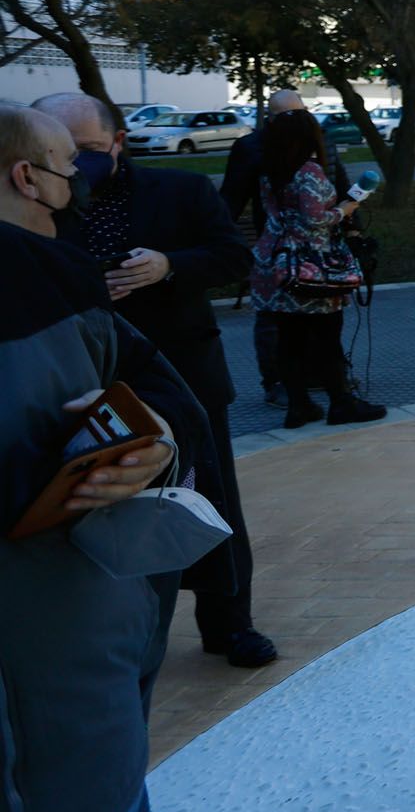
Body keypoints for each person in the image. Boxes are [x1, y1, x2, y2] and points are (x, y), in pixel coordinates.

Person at [0, 102, 219, 812]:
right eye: (70, 168)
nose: (79, 187)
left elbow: (156, 386)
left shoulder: (51, 278)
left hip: (87, 650)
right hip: (41, 686)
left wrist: (154, 441)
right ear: (30, 177)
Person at [33, 93, 275, 671]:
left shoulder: (181, 191)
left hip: (183, 380)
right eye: (65, 153)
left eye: (89, 149)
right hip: (81, 387)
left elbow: (231, 256)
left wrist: (169, 267)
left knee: (209, 505)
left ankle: (228, 624)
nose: (77, 163)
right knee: (93, 510)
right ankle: (112, 633)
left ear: (119, 142)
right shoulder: (38, 201)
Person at [249, 108, 385, 428]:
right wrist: (345, 208)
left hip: (274, 263)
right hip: (311, 267)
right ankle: (341, 403)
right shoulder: (309, 171)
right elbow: (314, 221)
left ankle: (299, 406)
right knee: (327, 337)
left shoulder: (270, 172)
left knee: (288, 338)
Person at [221, 90, 350, 406]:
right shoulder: (260, 151)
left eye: (300, 114)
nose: (296, 122)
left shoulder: (313, 148)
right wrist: (345, 212)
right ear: (271, 118)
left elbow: (339, 184)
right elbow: (232, 200)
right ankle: (290, 387)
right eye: (288, 116)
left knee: (303, 325)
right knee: (284, 323)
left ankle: (306, 390)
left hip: (302, 248)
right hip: (291, 250)